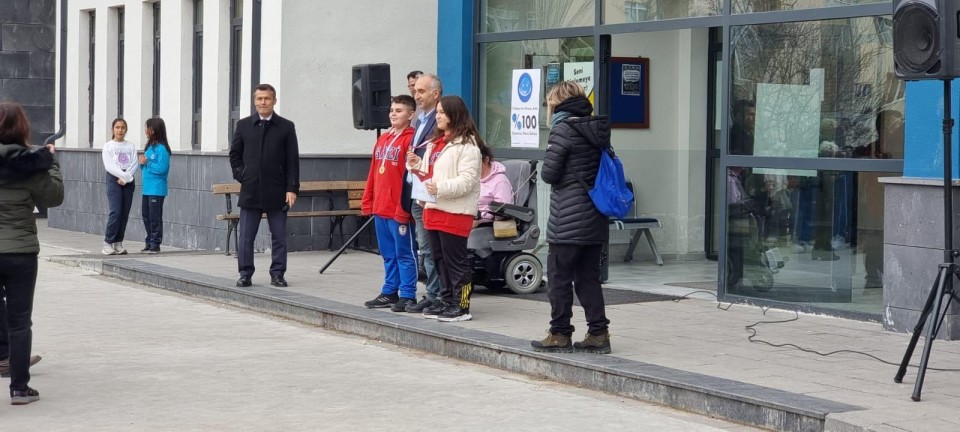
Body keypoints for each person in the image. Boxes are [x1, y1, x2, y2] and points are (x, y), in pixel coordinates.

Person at [530, 81, 611, 354]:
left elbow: (549, 174)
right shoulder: (596, 128)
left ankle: (560, 333)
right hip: (594, 215)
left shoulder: (562, 129)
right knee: (588, 278)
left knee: (559, 278)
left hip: (568, 217)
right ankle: (598, 333)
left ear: (556, 102)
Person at [0, 101, 64, 405]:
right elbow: (53, 198)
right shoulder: (31, 163)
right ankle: (19, 388)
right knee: (19, 321)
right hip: (21, 252)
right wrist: (52, 163)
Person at [406, 95, 482, 322]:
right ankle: (447, 300)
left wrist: (439, 188)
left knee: (455, 261)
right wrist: (417, 165)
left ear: (454, 115)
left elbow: (467, 181)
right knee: (439, 259)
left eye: (441, 112)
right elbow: (431, 174)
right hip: (434, 209)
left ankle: (462, 306)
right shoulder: (436, 143)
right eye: (437, 112)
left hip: (455, 212)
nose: (437, 116)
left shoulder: (468, 146)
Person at [229, 83, 300, 288]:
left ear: (274, 100)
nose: (263, 102)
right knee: (246, 237)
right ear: (254, 101)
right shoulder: (243, 126)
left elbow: (292, 160)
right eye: (259, 99)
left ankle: (278, 274)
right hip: (251, 189)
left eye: (267, 98)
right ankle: (245, 273)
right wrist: (242, 175)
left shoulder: (286, 127)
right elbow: (235, 155)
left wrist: (292, 188)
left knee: (279, 236)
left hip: (277, 190)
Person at [361, 95, 418, 311]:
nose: (393, 114)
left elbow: (411, 178)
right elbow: (373, 173)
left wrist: (404, 208)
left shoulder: (411, 140)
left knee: (404, 252)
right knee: (388, 254)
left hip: (398, 208)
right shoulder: (383, 139)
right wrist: (368, 201)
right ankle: (389, 291)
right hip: (381, 207)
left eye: (399, 110)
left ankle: (408, 294)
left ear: (411, 115)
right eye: (392, 110)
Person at [403, 73, 444, 313]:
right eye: (415, 90)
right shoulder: (420, 119)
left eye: (421, 91)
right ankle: (432, 292)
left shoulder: (439, 120)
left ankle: (436, 294)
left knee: (431, 248)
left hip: (430, 191)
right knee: (425, 247)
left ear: (435, 94)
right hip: (417, 189)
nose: (416, 95)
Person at [102, 118, 139, 255]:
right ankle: (108, 242)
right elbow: (109, 165)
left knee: (124, 212)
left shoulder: (131, 146)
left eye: (123, 127)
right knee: (116, 211)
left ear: (126, 129)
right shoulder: (108, 146)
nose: (120, 130)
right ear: (112, 129)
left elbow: (134, 163)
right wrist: (122, 176)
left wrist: (127, 177)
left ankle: (118, 242)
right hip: (114, 179)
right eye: (117, 127)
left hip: (128, 179)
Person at [138, 117, 171, 254]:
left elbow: (162, 169)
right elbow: (145, 167)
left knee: (154, 217)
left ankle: (155, 243)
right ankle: (149, 240)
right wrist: (142, 163)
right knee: (146, 216)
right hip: (147, 188)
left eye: (148, 128)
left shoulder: (162, 149)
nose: (146, 131)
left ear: (155, 130)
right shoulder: (150, 148)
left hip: (156, 189)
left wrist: (147, 163)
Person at [476, 146, 513, 226]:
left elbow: (503, 212)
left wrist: (479, 220)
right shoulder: (471, 178)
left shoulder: (500, 181)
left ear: (486, 159)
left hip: (487, 224)